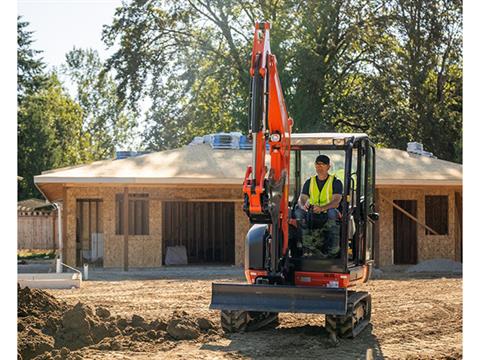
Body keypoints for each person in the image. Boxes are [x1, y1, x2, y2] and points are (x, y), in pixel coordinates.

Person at [296, 154, 342, 258]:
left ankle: (333, 250)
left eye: (322, 164)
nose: (319, 167)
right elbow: (302, 198)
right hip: (312, 213)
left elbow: (336, 201)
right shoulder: (309, 181)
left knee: (332, 213)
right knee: (298, 212)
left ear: (328, 167)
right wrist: (303, 206)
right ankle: (303, 247)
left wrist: (322, 208)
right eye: (317, 164)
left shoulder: (335, 182)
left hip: (328, 212)